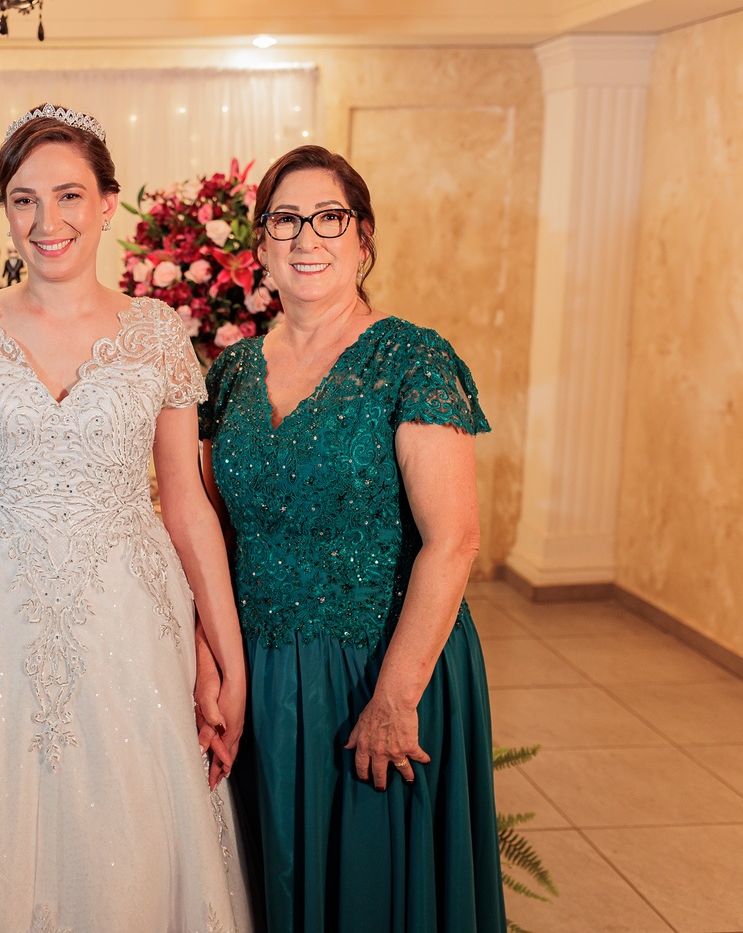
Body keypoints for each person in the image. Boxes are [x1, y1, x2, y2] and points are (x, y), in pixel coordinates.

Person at [0, 103, 253, 932]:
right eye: (24, 199)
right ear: (5, 209)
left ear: (108, 203)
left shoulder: (158, 334)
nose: (47, 221)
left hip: (129, 623)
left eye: (69, 195)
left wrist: (228, 658)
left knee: (130, 832)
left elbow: (187, 507)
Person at [197, 144, 505, 932]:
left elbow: (455, 540)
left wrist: (395, 699)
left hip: (379, 666)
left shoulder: (412, 360)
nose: (307, 238)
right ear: (261, 244)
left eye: (329, 217)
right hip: (262, 672)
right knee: (272, 879)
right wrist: (211, 662)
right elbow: (209, 532)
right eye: (286, 219)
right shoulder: (230, 373)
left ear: (363, 238)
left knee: (373, 889)